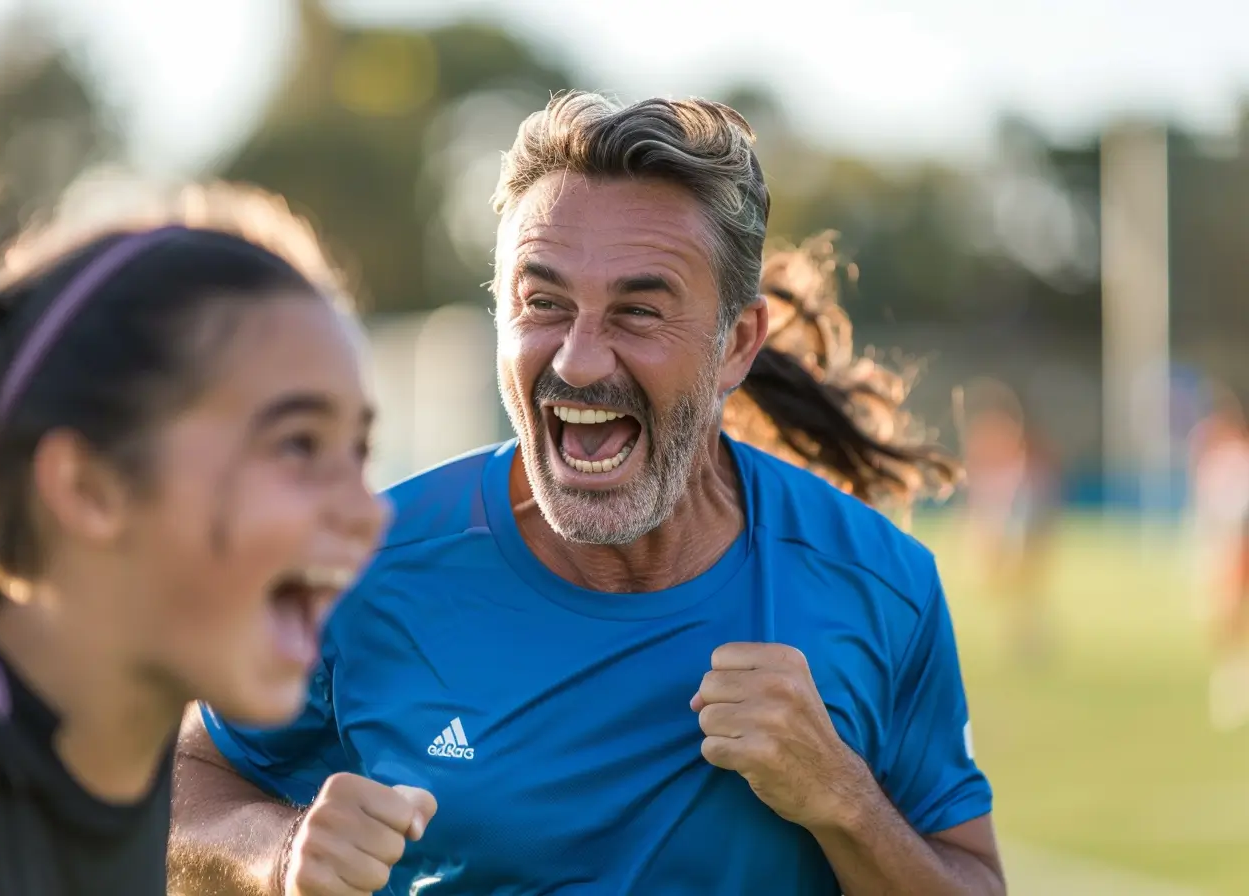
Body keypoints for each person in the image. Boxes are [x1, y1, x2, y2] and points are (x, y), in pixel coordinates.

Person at [169, 92, 1005, 896]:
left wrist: (847, 804)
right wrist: (276, 856)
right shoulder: (361, 567)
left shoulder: (883, 586)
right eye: (544, 302)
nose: (578, 359)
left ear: (736, 344)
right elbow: (182, 787)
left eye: (639, 312)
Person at [0, 147, 434, 895]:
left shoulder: (120, 760)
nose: (367, 513)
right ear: (89, 486)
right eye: (297, 445)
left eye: (359, 451)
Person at [959, 378, 1059, 663]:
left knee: (1021, 586)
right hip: (1002, 519)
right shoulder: (993, 445)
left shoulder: (1022, 452)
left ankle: (1027, 637)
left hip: (1015, 520)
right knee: (1006, 584)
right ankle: (1023, 636)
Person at [1187, 386, 1249, 730]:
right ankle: (1232, 676)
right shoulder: (1213, 460)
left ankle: (1234, 679)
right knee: (1222, 618)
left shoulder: (1238, 458)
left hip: (1237, 542)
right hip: (1220, 543)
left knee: (1230, 613)